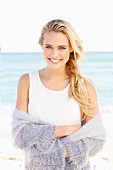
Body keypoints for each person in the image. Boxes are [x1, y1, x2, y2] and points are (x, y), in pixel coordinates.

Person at [12, 19, 106, 170]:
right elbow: (20, 135)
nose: (54, 54)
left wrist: (47, 151)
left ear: (70, 49)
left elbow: (96, 138)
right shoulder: (27, 82)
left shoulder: (84, 86)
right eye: (49, 47)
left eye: (61, 47)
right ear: (41, 46)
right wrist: (63, 130)